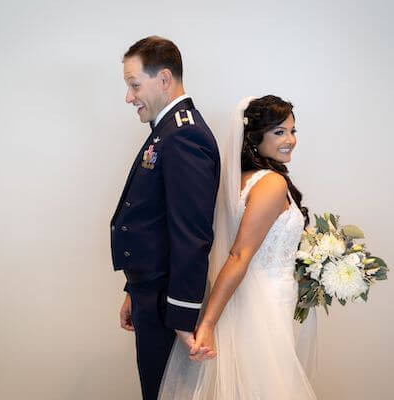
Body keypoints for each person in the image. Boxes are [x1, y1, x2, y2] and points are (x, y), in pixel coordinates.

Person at [159, 95, 318, 399]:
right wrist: (207, 324)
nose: (290, 140)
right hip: (266, 302)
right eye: (279, 132)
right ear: (255, 137)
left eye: (293, 131)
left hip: (252, 298)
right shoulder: (272, 183)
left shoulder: (241, 181)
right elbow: (239, 255)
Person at [110, 36, 220, 400]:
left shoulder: (184, 135)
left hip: (167, 304)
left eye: (134, 85)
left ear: (164, 79)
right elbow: (153, 222)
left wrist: (183, 317)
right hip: (151, 295)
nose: (129, 97)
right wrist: (133, 290)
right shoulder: (168, 129)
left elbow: (191, 235)